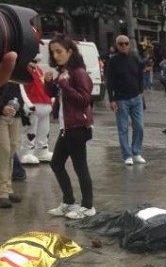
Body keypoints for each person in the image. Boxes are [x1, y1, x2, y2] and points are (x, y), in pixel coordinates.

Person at [43, 35, 96, 219]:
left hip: (78, 126)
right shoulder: (63, 72)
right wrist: (50, 84)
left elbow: (84, 100)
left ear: (70, 52)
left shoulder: (78, 72)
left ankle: (88, 206)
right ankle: (68, 201)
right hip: (67, 127)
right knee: (56, 163)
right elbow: (57, 96)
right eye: (53, 52)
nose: (55, 55)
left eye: (59, 51)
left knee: (80, 166)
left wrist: (65, 85)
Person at [105, 35, 147, 165]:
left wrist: (141, 91)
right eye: (121, 44)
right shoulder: (113, 61)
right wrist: (112, 99)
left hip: (136, 97)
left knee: (139, 126)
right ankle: (127, 155)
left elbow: (140, 74)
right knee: (123, 128)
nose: (124, 46)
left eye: (126, 43)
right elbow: (109, 81)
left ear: (129, 44)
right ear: (117, 46)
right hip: (121, 99)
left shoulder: (134, 58)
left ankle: (136, 152)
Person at [19, 56, 53, 163]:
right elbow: (21, 88)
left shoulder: (38, 69)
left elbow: (42, 86)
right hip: (33, 105)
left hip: (45, 105)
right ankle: (27, 152)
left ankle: (42, 150)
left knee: (44, 130)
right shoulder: (23, 70)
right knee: (30, 130)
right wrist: (26, 103)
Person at [0, 82, 24, 208]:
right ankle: (2, 192)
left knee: (11, 150)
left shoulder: (15, 70)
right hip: (1, 114)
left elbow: (19, 91)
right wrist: (2, 107)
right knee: (4, 151)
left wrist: (21, 106)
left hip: (15, 114)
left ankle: (7, 188)